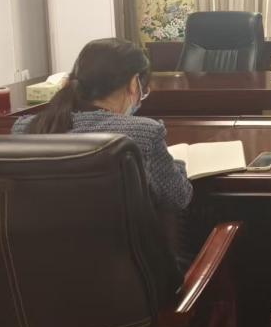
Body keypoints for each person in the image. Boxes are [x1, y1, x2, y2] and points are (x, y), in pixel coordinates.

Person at [13, 38, 192, 212]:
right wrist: (178, 164)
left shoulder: (24, 128)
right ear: (133, 83)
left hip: (39, 233)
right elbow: (178, 197)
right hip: (117, 234)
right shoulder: (144, 132)